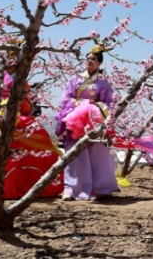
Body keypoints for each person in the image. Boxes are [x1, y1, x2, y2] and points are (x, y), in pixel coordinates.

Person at [0, 56, 63, 200]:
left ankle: (33, 182)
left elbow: (26, 106)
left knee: (37, 132)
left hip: (16, 117)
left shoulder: (22, 81)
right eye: (6, 57)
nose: (9, 61)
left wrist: (23, 114)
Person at [55, 44, 118, 201]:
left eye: (93, 59)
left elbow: (109, 102)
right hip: (75, 119)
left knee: (97, 153)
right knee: (74, 152)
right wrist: (74, 103)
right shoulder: (75, 78)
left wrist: (96, 106)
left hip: (93, 119)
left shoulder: (103, 82)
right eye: (88, 58)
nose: (89, 61)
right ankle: (71, 188)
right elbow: (65, 98)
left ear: (99, 63)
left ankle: (101, 188)